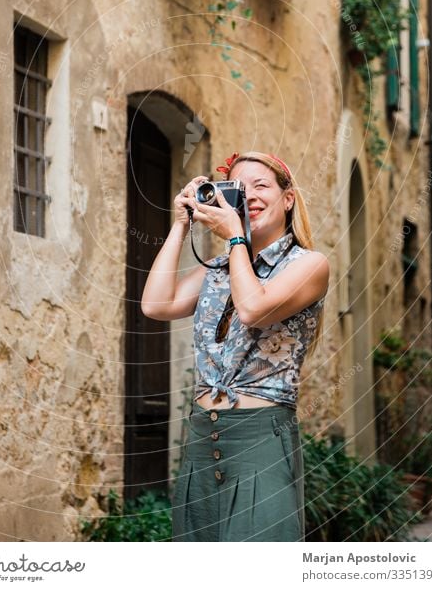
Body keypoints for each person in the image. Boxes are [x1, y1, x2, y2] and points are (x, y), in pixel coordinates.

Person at [141, 151, 329, 542]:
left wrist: (236, 237)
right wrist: (181, 225)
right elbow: (155, 305)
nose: (251, 196)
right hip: (200, 439)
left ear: (288, 198)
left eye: (262, 186)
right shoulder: (218, 266)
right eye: (240, 188)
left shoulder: (309, 265)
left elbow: (254, 309)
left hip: (260, 438)